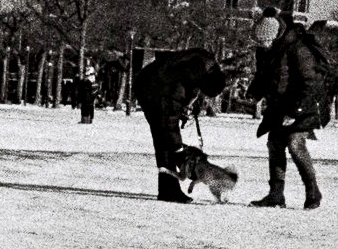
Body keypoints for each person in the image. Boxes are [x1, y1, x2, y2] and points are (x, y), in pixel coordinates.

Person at [247, 11, 327, 209]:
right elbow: (263, 76)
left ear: (274, 35)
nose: (262, 45)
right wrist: (254, 92)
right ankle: (276, 195)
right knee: (274, 144)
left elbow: (312, 83)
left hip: (304, 105)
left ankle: (313, 192)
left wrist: (295, 111)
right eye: (259, 42)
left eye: (265, 41)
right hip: (278, 106)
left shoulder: (298, 48)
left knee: (295, 144)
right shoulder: (265, 51)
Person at [132, 47, 231, 203]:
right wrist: (179, 150)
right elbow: (169, 122)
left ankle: (168, 188)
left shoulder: (203, 67)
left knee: (164, 139)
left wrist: (188, 105)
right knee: (163, 137)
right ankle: (168, 190)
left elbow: (191, 88)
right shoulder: (176, 85)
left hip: (153, 80)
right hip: (150, 87)